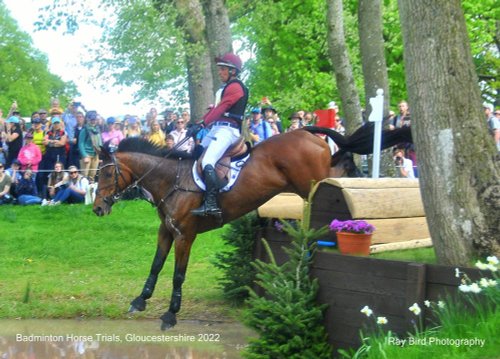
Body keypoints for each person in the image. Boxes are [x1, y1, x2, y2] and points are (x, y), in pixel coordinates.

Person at [191, 52, 249, 216]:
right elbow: (219, 109)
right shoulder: (227, 87)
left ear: (233, 71)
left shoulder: (236, 86)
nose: (220, 72)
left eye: (223, 69)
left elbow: (223, 107)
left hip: (227, 131)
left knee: (208, 160)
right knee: (197, 152)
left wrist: (203, 122)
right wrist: (199, 123)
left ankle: (212, 204)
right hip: (218, 128)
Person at [78, 111, 102, 181]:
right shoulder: (84, 130)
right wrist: (85, 155)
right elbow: (81, 143)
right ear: (88, 119)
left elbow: (100, 142)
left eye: (94, 119)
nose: (93, 121)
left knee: (92, 176)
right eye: (92, 119)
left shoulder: (97, 130)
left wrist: (100, 154)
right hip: (87, 155)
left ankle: (90, 191)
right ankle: (83, 191)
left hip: (95, 156)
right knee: (84, 176)